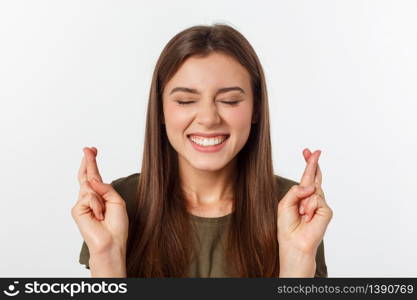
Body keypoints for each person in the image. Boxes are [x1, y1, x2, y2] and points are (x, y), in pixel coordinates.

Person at [71, 24, 333, 278]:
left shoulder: (293, 209)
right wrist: (106, 256)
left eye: (229, 100)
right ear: (161, 110)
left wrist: (299, 258)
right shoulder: (121, 204)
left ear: (256, 110)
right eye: (185, 101)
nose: (208, 118)